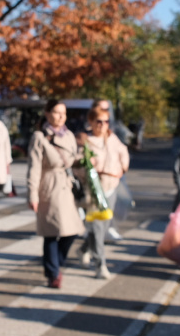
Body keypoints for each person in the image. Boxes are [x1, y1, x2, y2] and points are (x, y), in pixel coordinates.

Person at [27, 99, 85, 288]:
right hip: (49, 187)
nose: (61, 117)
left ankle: (55, 264)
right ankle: (53, 273)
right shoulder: (39, 137)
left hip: (66, 186)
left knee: (72, 231)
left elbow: (72, 160)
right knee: (52, 232)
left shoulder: (68, 135)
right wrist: (32, 194)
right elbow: (33, 168)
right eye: (57, 112)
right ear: (47, 113)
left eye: (64, 113)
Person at [77, 105, 129, 279]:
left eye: (106, 121)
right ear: (91, 122)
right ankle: (101, 265)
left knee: (102, 225)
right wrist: (87, 170)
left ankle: (84, 249)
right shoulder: (85, 142)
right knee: (98, 228)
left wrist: (123, 168)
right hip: (93, 190)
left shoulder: (112, 138)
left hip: (111, 186)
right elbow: (77, 166)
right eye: (98, 121)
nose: (102, 125)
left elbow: (124, 152)